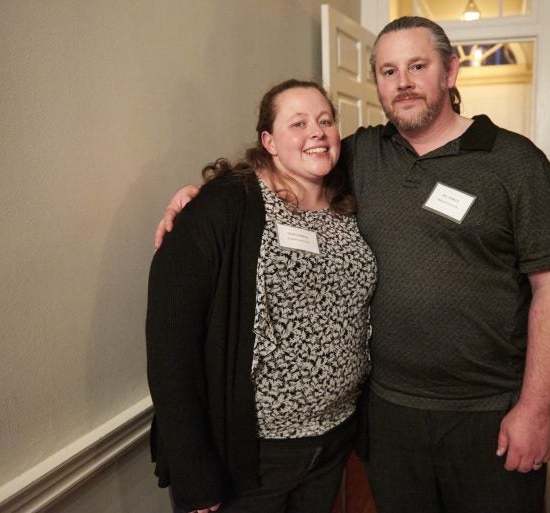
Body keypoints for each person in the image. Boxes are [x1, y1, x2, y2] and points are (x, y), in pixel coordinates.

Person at [155, 16, 550, 513]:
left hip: (489, 412)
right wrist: (202, 197)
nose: (402, 82)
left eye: (417, 66)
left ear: (450, 70)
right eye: (387, 70)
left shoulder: (516, 162)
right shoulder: (362, 156)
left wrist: (535, 408)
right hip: (388, 416)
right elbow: (288, 164)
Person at [146, 79, 377, 513]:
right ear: (268, 141)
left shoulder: (346, 201)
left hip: (331, 441)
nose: (317, 132)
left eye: (325, 120)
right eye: (299, 123)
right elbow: (169, 342)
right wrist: (193, 472)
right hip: (251, 456)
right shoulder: (226, 205)